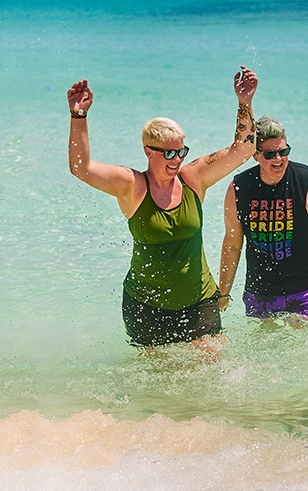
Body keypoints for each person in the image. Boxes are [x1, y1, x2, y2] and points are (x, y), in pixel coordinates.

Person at [66, 66, 258, 347]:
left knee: (215, 372)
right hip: (146, 306)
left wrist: (245, 102)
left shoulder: (193, 178)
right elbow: (80, 168)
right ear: (148, 151)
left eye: (181, 151)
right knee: (156, 385)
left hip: (199, 301)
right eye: (169, 152)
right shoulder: (132, 185)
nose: (177, 159)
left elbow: (243, 149)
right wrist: (78, 116)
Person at [218, 115, 308, 320]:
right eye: (270, 154)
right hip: (261, 290)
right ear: (256, 155)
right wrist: (223, 293)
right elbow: (232, 244)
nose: (278, 159)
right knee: (264, 350)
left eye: (283, 152)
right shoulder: (240, 187)